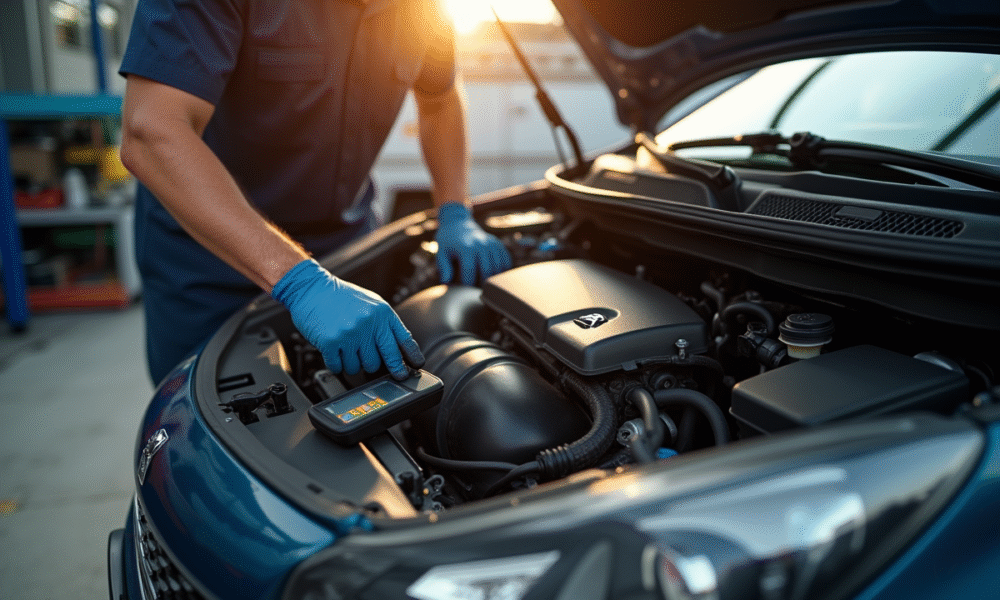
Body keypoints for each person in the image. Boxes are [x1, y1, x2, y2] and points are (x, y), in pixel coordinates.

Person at [118, 0, 511, 384]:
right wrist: (300, 282)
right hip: (210, 266)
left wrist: (455, 210)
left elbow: (440, 99)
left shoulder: (424, 9)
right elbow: (153, 133)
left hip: (347, 250)